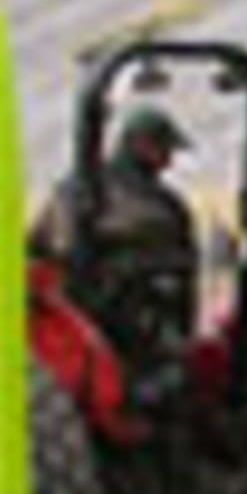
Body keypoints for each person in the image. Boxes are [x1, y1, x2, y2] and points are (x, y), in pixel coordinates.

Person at [30, 104, 199, 371]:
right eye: (165, 150)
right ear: (144, 146)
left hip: (119, 308)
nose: (169, 160)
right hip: (120, 313)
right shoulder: (153, 206)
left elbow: (41, 242)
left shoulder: (79, 187)